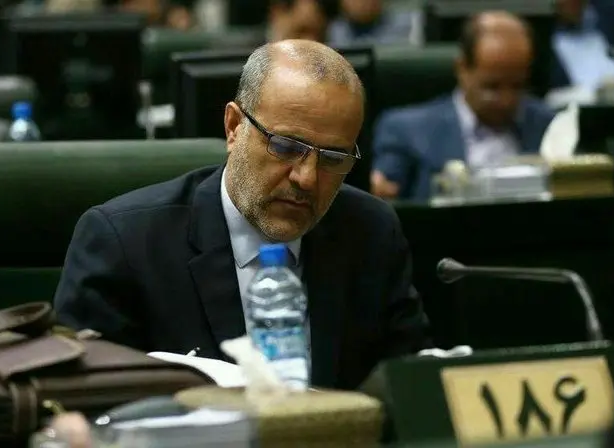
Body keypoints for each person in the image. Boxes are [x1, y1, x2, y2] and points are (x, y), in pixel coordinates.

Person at [54, 39, 432, 391]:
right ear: (234, 128)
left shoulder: (370, 232)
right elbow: (85, 399)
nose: (306, 178)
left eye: (333, 158)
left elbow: (410, 389)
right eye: (286, 147)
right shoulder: (125, 244)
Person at [370, 11, 555, 202]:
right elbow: (384, 188)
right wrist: (378, 189)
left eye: (517, 86)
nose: (506, 100)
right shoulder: (407, 131)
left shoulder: (549, 125)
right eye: (492, 87)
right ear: (462, 69)